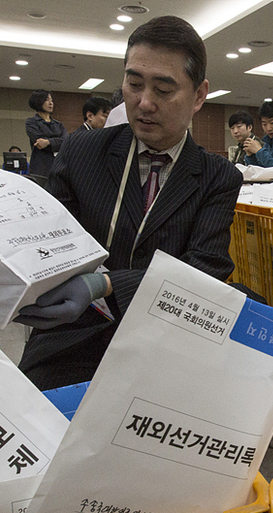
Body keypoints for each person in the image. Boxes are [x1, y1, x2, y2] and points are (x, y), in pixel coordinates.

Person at [14, 16, 243, 391]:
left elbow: (203, 271)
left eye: (164, 90)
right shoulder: (82, 150)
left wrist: (103, 284)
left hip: (166, 343)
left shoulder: (217, 176)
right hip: (73, 336)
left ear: (199, 95)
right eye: (133, 85)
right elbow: (49, 242)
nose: (144, 103)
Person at [24, 89, 68, 179]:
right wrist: (56, 142)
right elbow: (39, 142)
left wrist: (48, 142)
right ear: (38, 102)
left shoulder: (58, 124)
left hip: (59, 165)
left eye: (51, 100)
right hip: (40, 167)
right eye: (46, 100)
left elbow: (66, 141)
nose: (50, 103)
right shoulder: (31, 122)